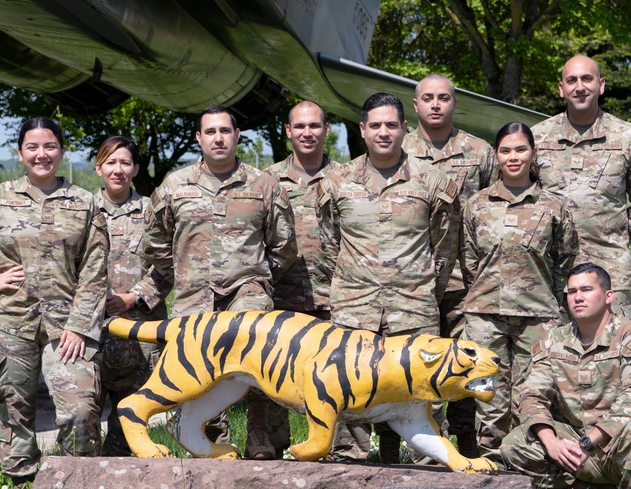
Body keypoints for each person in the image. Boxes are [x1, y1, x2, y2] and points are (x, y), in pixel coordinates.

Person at [0, 116, 108, 479]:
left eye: (49, 146)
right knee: (16, 414)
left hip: (67, 328)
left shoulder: (84, 203)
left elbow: (95, 270)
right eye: (32, 147)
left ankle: (77, 485)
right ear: (20, 154)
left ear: (62, 151)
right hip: (10, 323)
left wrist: (80, 327)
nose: (41, 154)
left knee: (80, 410)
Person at [143, 105, 296, 459]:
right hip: (194, 299)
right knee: (198, 371)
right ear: (198, 138)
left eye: (225, 131)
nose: (218, 138)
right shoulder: (175, 186)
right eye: (210, 132)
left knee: (257, 356)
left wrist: (259, 276)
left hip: (247, 293)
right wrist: (183, 272)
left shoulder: (264, 184)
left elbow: (284, 245)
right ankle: (211, 438)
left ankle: (258, 434)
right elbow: (153, 242)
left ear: (237, 135)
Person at [317, 92, 461, 463]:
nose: (384, 132)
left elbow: (444, 248)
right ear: (362, 130)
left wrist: (423, 289)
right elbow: (327, 243)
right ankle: (349, 465)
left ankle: (426, 468)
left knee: (423, 391)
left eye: (391, 125)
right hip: (354, 308)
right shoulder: (336, 181)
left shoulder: (432, 181)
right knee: (348, 389)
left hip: (413, 308)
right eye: (376, 125)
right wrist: (350, 282)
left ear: (404, 128)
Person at [497, 263, 631, 489]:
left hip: (614, 444)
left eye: (587, 289)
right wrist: (551, 442)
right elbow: (532, 395)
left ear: (608, 296)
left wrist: (590, 441)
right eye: (572, 291)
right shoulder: (554, 340)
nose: (577, 297)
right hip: (572, 446)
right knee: (514, 445)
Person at [461, 122, 579, 457]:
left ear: (533, 152)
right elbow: (469, 258)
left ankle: (527, 464)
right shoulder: (477, 204)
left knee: (532, 394)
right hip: (485, 315)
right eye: (506, 150)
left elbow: (564, 261)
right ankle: (490, 463)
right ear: (496, 155)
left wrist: (553, 305)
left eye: (521, 149)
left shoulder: (554, 206)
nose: (513, 157)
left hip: (537, 315)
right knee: (488, 395)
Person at [264, 100, 370, 458]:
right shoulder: (267, 179)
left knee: (344, 374)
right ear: (288, 131)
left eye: (315, 126)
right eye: (300, 126)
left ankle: (348, 451)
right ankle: (268, 446)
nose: (307, 133)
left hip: (337, 295)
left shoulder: (349, 177)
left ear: (327, 130)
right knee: (273, 372)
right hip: (282, 295)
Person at [402, 73, 496, 458]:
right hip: (414, 281)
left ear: (455, 103)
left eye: (444, 98)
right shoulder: (399, 148)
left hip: (465, 280)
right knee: (421, 367)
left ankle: (471, 445)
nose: (436, 104)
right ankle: (423, 450)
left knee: (467, 362)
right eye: (428, 98)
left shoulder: (479, 151)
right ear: (415, 104)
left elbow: (496, 202)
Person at [532, 55, 631, 321]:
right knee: (554, 354)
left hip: (609, 269)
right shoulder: (538, 138)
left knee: (611, 353)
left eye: (587, 79)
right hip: (551, 269)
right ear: (561, 89)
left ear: (601, 85)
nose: (579, 87)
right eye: (572, 80)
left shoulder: (628, 138)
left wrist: (613, 236)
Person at [94, 136, 171, 456]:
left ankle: (119, 481)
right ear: (99, 168)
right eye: (111, 162)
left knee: (130, 419)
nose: (118, 169)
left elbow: (170, 265)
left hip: (140, 330)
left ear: (136, 168)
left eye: (125, 162)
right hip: (90, 331)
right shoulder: (81, 211)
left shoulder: (154, 212)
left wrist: (133, 297)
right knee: (81, 416)